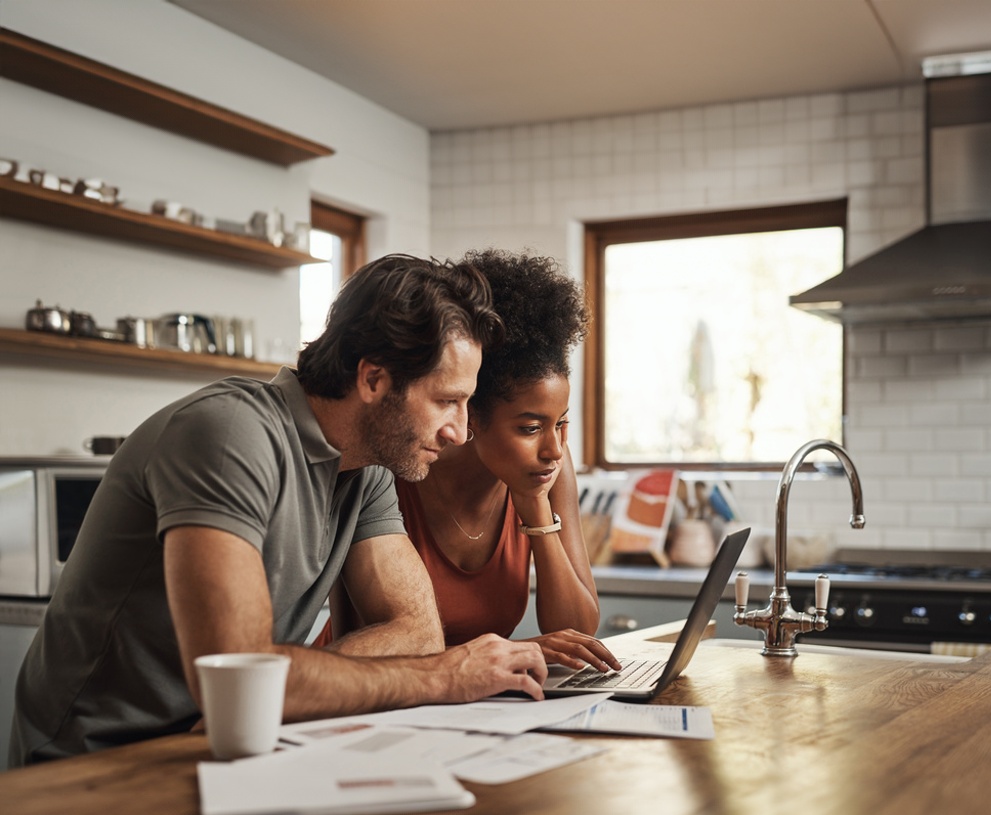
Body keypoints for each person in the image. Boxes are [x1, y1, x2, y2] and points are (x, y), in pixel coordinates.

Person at [10, 254, 547, 767]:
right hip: (98, 762)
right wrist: (441, 677)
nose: (456, 432)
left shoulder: (368, 469)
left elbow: (416, 633)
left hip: (230, 742)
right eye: (446, 400)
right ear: (374, 380)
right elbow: (241, 678)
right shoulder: (229, 435)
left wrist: (281, 690)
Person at [315, 249, 620, 674]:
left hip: (473, 697)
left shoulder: (546, 469)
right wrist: (516, 651)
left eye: (561, 424)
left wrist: (534, 510)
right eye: (530, 428)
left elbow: (578, 632)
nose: (554, 448)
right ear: (471, 412)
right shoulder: (396, 464)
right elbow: (372, 638)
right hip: (370, 688)